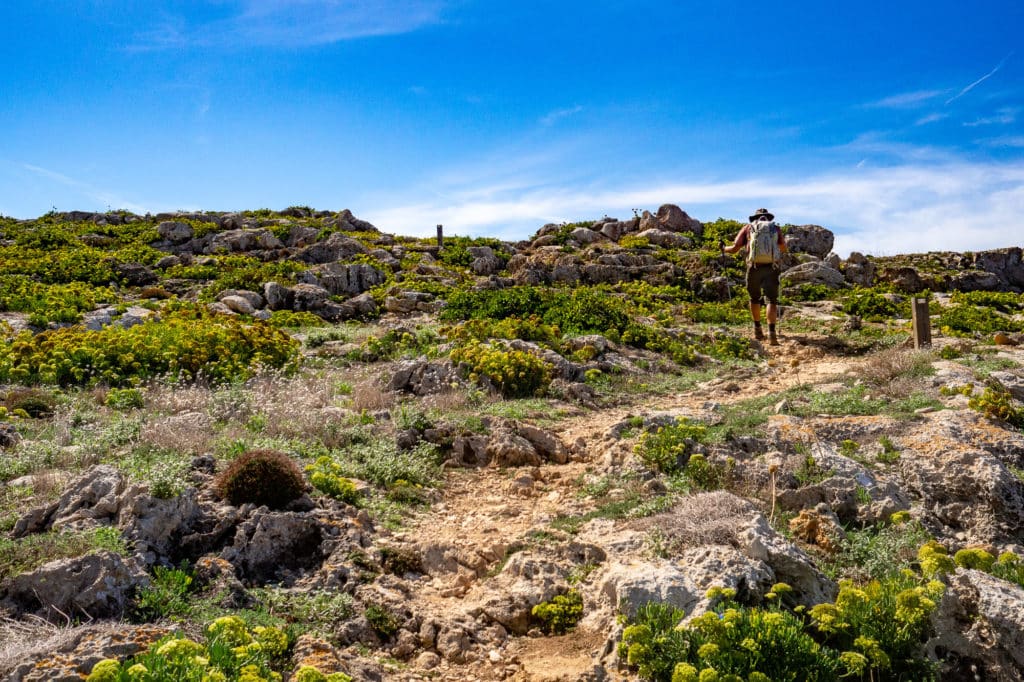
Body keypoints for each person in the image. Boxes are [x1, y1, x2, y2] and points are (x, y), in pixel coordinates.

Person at [721, 208, 787, 345]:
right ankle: (772, 333)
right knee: (772, 301)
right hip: (772, 267)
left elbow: (734, 248)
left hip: (754, 267)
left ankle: (758, 329)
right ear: (768, 218)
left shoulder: (748, 228)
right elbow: (783, 248)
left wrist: (723, 249)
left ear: (755, 218)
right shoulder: (775, 229)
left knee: (754, 298)